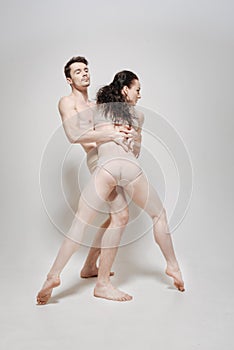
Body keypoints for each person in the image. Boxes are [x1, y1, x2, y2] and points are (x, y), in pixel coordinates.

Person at [37, 70, 184, 304]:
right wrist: (123, 136)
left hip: (103, 169)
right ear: (126, 90)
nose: (140, 95)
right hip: (128, 169)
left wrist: (106, 133)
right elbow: (134, 150)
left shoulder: (96, 110)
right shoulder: (137, 116)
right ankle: (172, 267)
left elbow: (80, 134)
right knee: (158, 215)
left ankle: (54, 276)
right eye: (137, 90)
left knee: (83, 224)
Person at [36, 58, 140, 304]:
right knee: (112, 217)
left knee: (117, 215)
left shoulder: (96, 104)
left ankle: (90, 267)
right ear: (69, 79)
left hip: (109, 157)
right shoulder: (67, 102)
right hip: (98, 160)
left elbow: (116, 127)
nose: (84, 74)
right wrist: (110, 133)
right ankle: (94, 282)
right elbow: (74, 135)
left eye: (86, 70)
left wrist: (128, 132)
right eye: (78, 72)